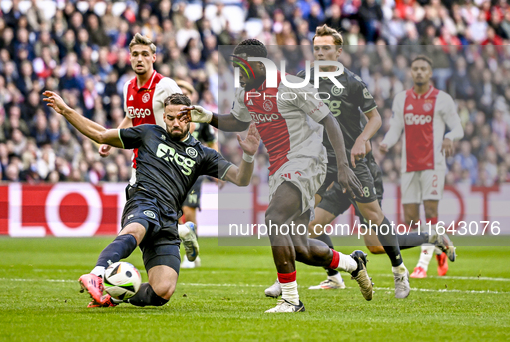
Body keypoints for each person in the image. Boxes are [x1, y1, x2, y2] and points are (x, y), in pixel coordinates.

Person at [179, 39, 373, 313]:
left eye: (242, 67)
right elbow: (239, 121)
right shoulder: (245, 92)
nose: (238, 73)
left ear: (260, 65)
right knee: (301, 248)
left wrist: (342, 166)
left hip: (307, 159)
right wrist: (207, 116)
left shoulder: (291, 85)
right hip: (280, 167)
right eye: (235, 67)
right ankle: (354, 263)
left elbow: (329, 120)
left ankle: (292, 300)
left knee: (274, 218)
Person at [43, 90, 260, 308]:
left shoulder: (203, 154)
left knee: (163, 291)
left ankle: (114, 296)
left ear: (190, 118)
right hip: (144, 200)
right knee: (136, 229)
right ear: (164, 117)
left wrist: (249, 156)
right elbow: (101, 134)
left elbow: (241, 179)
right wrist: (66, 111)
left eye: (181, 118)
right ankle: (96, 275)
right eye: (170, 117)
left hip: (168, 219)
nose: (176, 122)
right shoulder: (149, 134)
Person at [263, 25, 411, 299]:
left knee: (374, 217)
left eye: (326, 48)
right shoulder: (303, 78)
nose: (320, 53)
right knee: (301, 223)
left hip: (352, 160)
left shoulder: (353, 82)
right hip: (316, 161)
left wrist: (361, 139)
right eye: (317, 48)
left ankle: (399, 271)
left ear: (339, 52)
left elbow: (375, 118)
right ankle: (287, 277)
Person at [266, 113, 455, 294]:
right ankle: (331, 277)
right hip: (337, 178)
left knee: (376, 246)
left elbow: (365, 145)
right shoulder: (318, 111)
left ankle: (431, 237)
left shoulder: (347, 111)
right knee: (310, 225)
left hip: (361, 176)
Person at [98, 33, 201, 265]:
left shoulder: (164, 85)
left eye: (145, 54)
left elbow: (188, 117)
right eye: (135, 54)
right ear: (129, 58)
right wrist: (111, 139)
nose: (139, 59)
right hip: (141, 161)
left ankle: (107, 265)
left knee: (136, 218)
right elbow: (130, 117)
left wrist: (183, 149)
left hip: (165, 163)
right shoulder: (127, 87)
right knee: (143, 214)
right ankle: (182, 231)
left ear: (154, 57)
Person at [380, 55, 463, 278]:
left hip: (433, 163)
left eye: (423, 69)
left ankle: (421, 265)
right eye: (415, 68)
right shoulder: (402, 99)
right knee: (410, 218)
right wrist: (385, 143)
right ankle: (439, 249)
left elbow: (458, 128)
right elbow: (396, 127)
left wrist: (449, 136)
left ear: (430, 73)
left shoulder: (442, 99)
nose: (418, 72)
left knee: (431, 212)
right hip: (409, 164)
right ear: (410, 72)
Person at [176, 80, 219, 269]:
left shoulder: (200, 120)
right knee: (174, 214)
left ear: (192, 96)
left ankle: (191, 255)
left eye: (186, 92)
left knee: (188, 211)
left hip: (194, 172)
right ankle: (177, 251)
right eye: (180, 92)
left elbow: (212, 143)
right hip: (173, 171)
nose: (183, 95)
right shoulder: (170, 118)